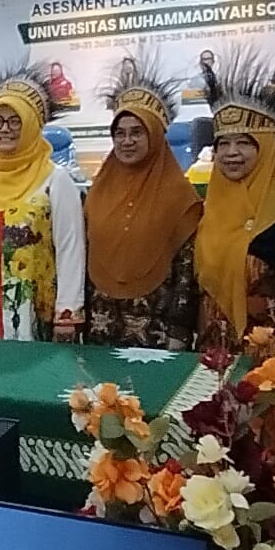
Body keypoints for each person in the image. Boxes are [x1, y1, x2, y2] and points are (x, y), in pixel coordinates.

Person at [195, 50, 275, 371]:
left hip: (271, 359)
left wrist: (267, 367)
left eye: (244, 143)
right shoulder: (213, 208)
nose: (231, 153)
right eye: (223, 143)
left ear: (266, 150)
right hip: (215, 355)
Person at [0, 62, 85, 341]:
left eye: (15, 120)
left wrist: (67, 313)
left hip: (32, 310)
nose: (4, 129)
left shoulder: (55, 180)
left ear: (33, 125)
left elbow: (71, 250)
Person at [85, 53, 202, 349]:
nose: (127, 141)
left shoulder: (179, 195)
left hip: (157, 328)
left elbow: (187, 274)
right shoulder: (97, 190)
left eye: (137, 132)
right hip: (101, 322)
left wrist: (179, 330)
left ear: (156, 136)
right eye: (119, 134)